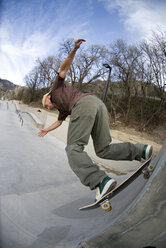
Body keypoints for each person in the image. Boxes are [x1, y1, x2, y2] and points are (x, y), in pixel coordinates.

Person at [38, 38, 153, 201]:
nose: (48, 107)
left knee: (72, 149)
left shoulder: (55, 88)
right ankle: (141, 150)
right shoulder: (61, 108)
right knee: (103, 149)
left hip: (83, 105)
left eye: (46, 104)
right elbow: (59, 121)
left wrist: (74, 50)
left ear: (48, 97)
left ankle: (100, 181)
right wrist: (46, 130)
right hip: (98, 104)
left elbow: (64, 68)